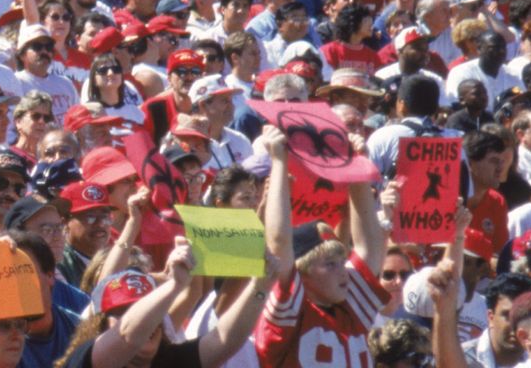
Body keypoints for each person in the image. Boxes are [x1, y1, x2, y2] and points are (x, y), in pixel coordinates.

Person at [257, 123, 391, 368]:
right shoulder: (289, 312)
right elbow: (279, 244)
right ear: (302, 273)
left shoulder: (349, 306)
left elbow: (369, 247)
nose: (343, 270)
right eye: (329, 264)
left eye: (341, 262)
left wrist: (356, 165)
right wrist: (279, 161)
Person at [61, 240, 282, 368]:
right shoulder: (85, 360)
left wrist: (261, 285)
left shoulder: (170, 361)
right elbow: (127, 336)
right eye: (123, 313)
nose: (147, 324)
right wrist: (175, 285)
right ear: (100, 326)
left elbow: (226, 340)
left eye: (150, 312)